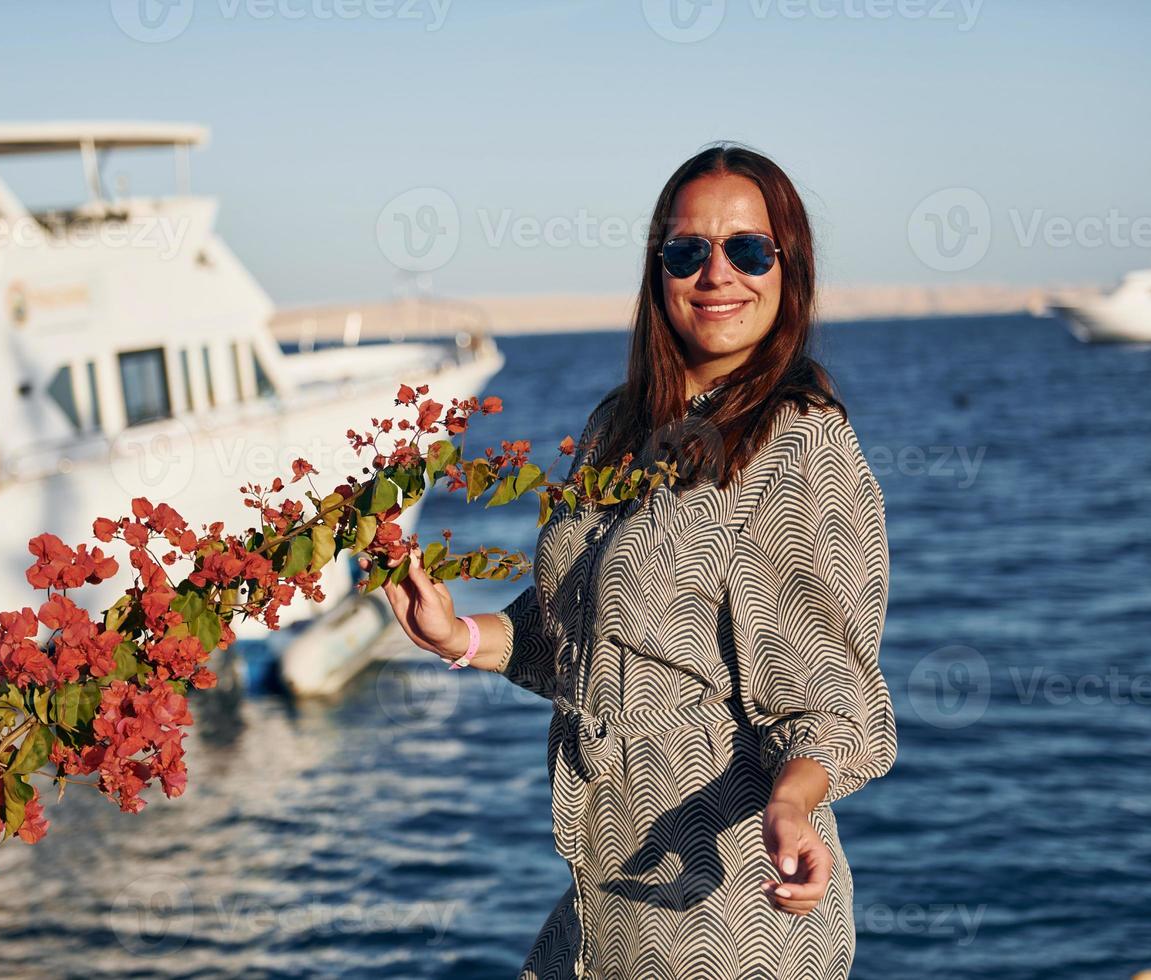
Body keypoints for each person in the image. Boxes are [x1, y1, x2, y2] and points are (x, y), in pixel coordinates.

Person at [377, 143, 897, 979]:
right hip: (600, 911)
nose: (717, 274)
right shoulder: (619, 425)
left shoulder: (799, 444)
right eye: (688, 251)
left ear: (787, 268)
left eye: (748, 250)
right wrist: (460, 636)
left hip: (727, 917)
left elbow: (829, 700)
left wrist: (794, 806)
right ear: (659, 272)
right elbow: (580, 647)